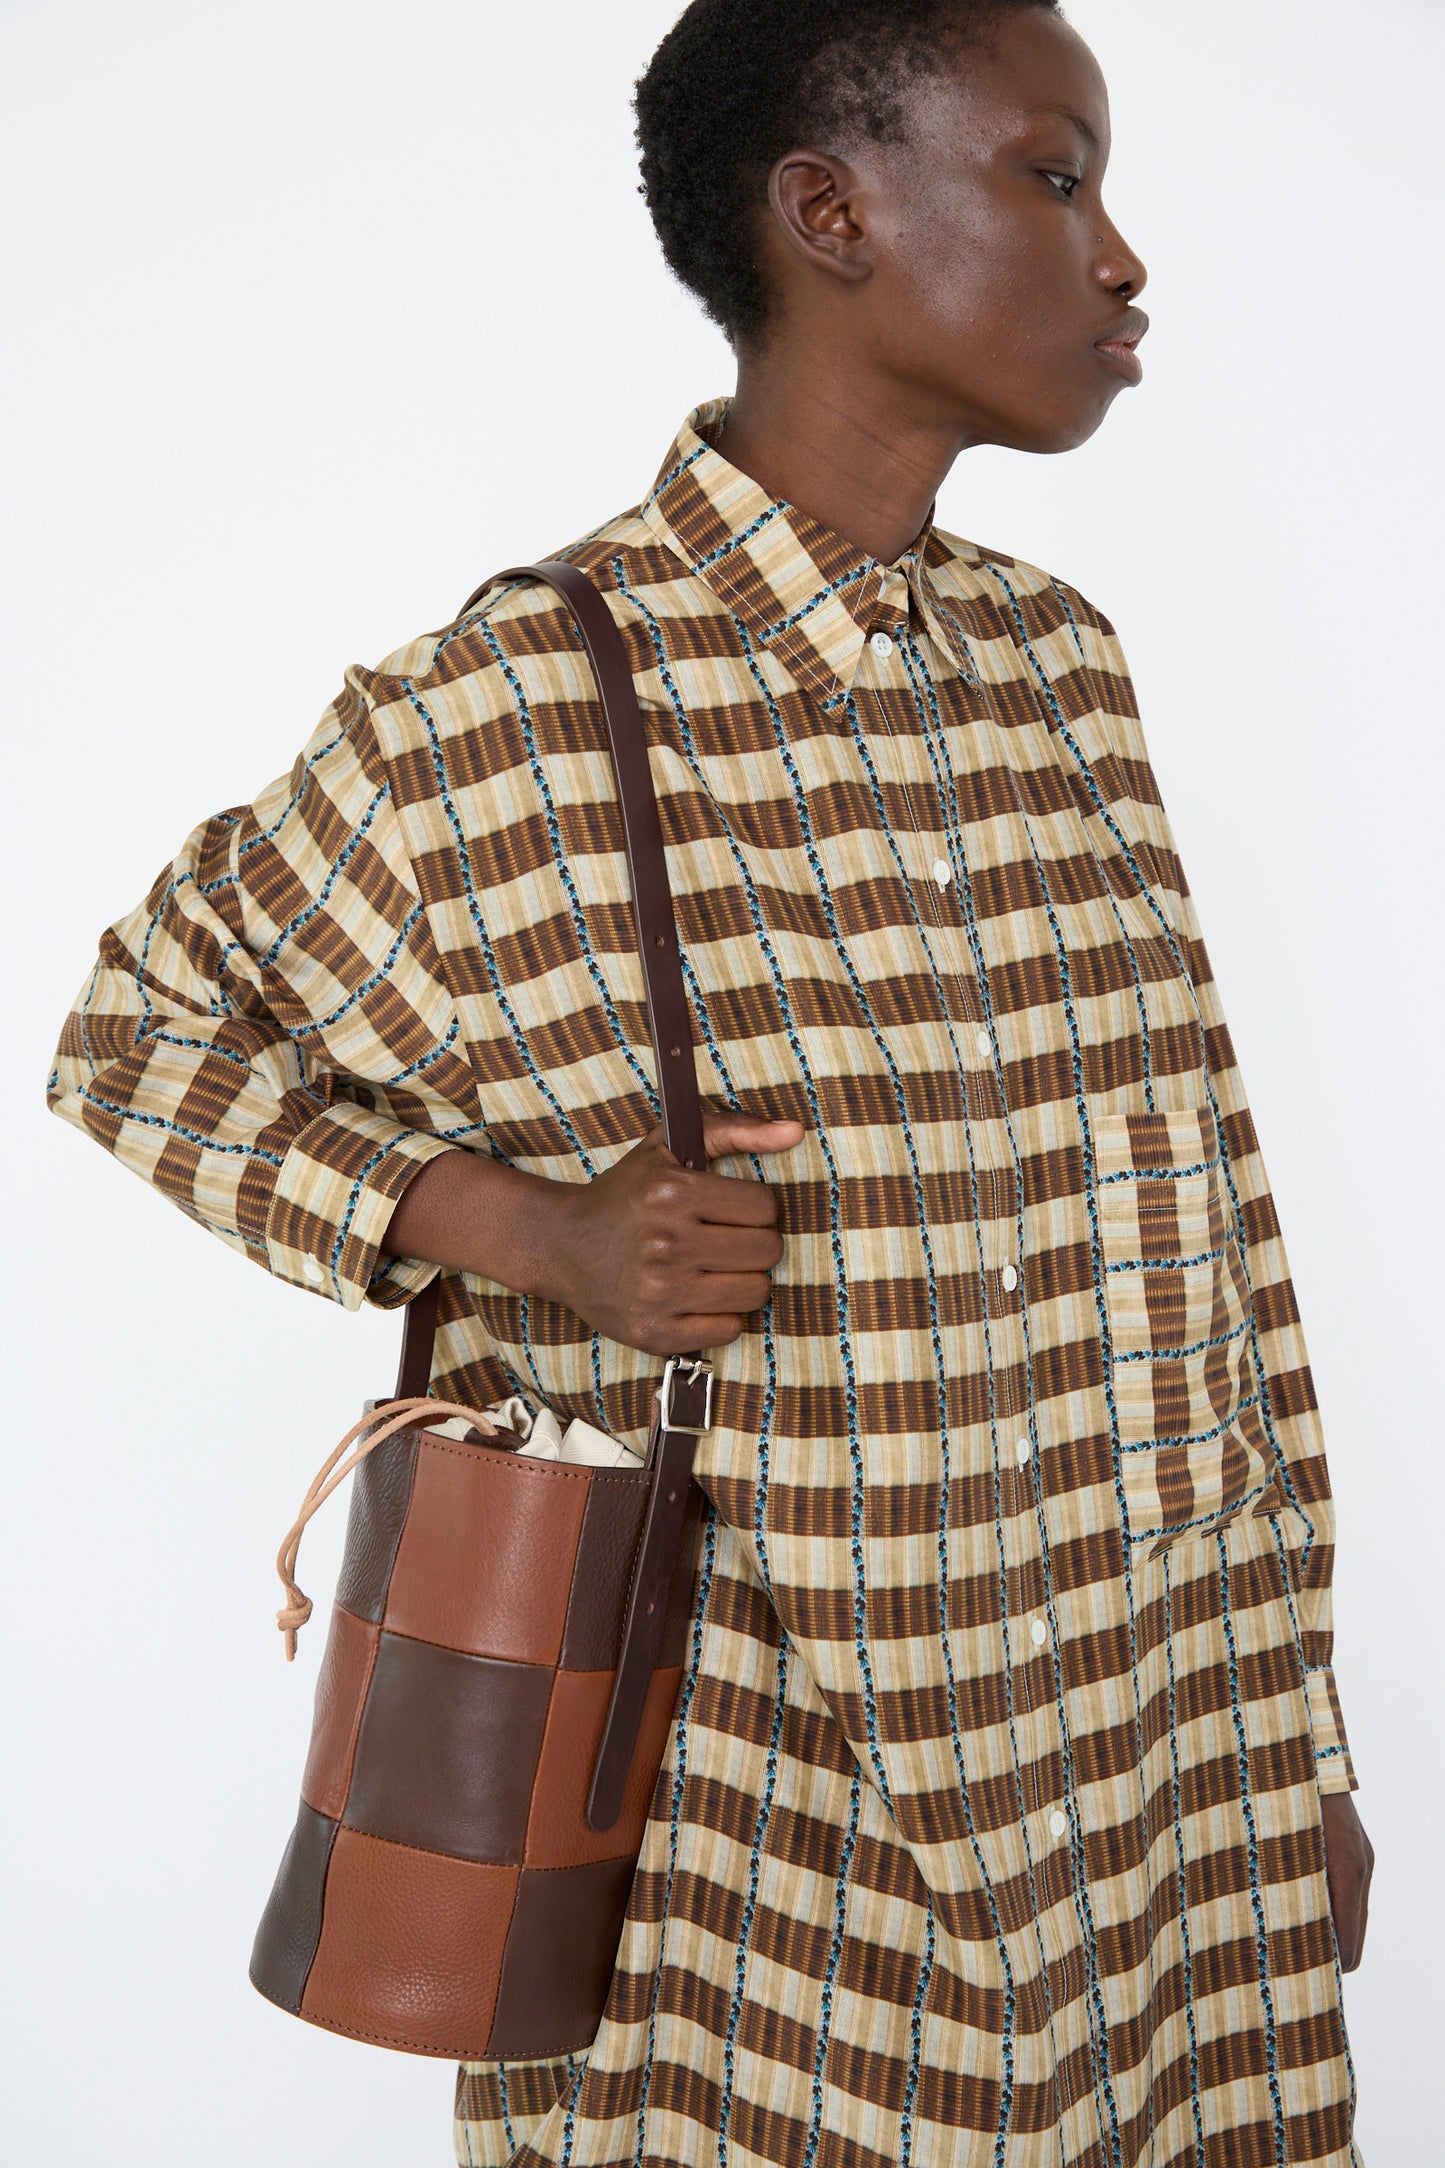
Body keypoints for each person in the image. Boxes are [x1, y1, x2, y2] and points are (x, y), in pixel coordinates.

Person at [45, 0, 1373, 2160]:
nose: (1121, 256)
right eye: (1056, 176)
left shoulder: (1063, 672)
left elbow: (1209, 1251)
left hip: (1149, 1809)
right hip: (768, 1858)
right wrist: (530, 1230)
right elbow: (136, 1042)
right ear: (828, 215)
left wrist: (1291, 1758)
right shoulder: (512, 708)